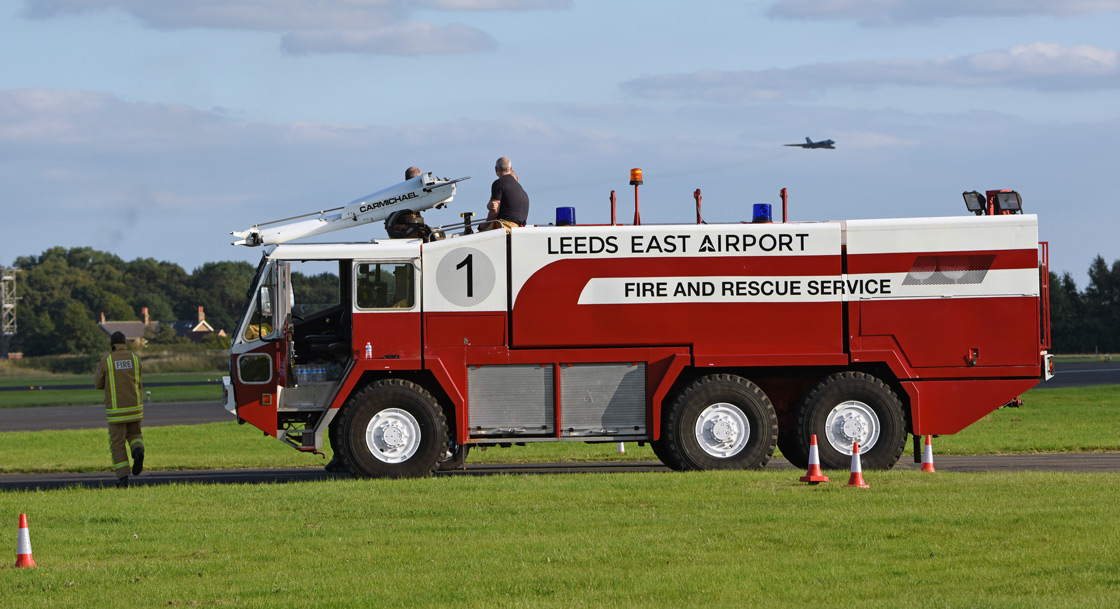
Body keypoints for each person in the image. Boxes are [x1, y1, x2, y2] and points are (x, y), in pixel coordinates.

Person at [93, 331, 145, 488]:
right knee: (135, 434)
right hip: (135, 408)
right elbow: (139, 379)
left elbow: (98, 384)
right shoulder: (136, 359)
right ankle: (138, 451)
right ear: (125, 343)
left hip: (117, 411)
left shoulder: (106, 360)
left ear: (112, 345)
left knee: (117, 443)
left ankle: (123, 478)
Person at [480, 156, 529, 232]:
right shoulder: (520, 189)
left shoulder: (498, 183)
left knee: (479, 233)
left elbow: (495, 210)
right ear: (511, 168)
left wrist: (484, 225)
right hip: (519, 228)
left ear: (496, 169)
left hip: (505, 226)